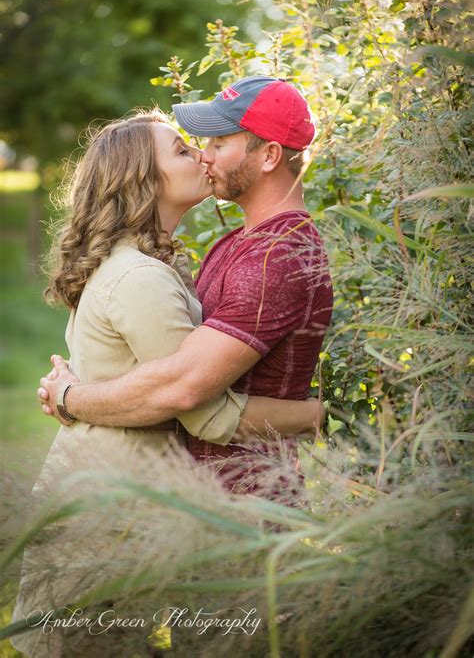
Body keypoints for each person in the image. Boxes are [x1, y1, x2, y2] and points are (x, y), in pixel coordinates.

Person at [12, 108, 323, 658]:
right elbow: (202, 410)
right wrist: (326, 413)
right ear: (144, 181)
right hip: (107, 516)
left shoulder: (145, 265)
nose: (201, 155)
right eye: (182, 151)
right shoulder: (140, 277)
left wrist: (70, 395)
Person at [38, 75, 333, 498]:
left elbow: (186, 391)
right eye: (191, 147)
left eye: (219, 143)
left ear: (269, 156)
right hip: (144, 500)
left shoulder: (277, 256)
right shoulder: (222, 248)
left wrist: (69, 397)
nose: (204, 155)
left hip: (241, 500)